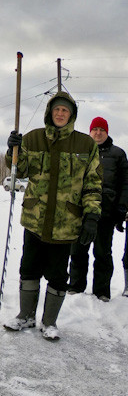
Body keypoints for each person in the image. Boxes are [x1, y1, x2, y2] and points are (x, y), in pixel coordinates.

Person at [4, 92, 102, 341]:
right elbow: (20, 169)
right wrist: (13, 148)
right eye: (57, 110)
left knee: (58, 274)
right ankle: (26, 315)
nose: (60, 114)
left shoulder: (85, 145)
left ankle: (49, 322)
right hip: (35, 219)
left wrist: (91, 215)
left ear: (72, 115)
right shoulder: (34, 137)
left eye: (65, 111)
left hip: (65, 222)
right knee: (29, 268)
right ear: (50, 112)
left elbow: (93, 183)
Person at [67, 117, 128, 301]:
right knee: (77, 251)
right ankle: (75, 287)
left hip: (106, 213)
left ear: (107, 132)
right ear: (90, 131)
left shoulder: (118, 154)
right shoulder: (81, 151)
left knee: (103, 253)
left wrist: (121, 209)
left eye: (102, 129)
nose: (98, 133)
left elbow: (125, 184)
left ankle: (101, 292)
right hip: (81, 212)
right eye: (95, 129)